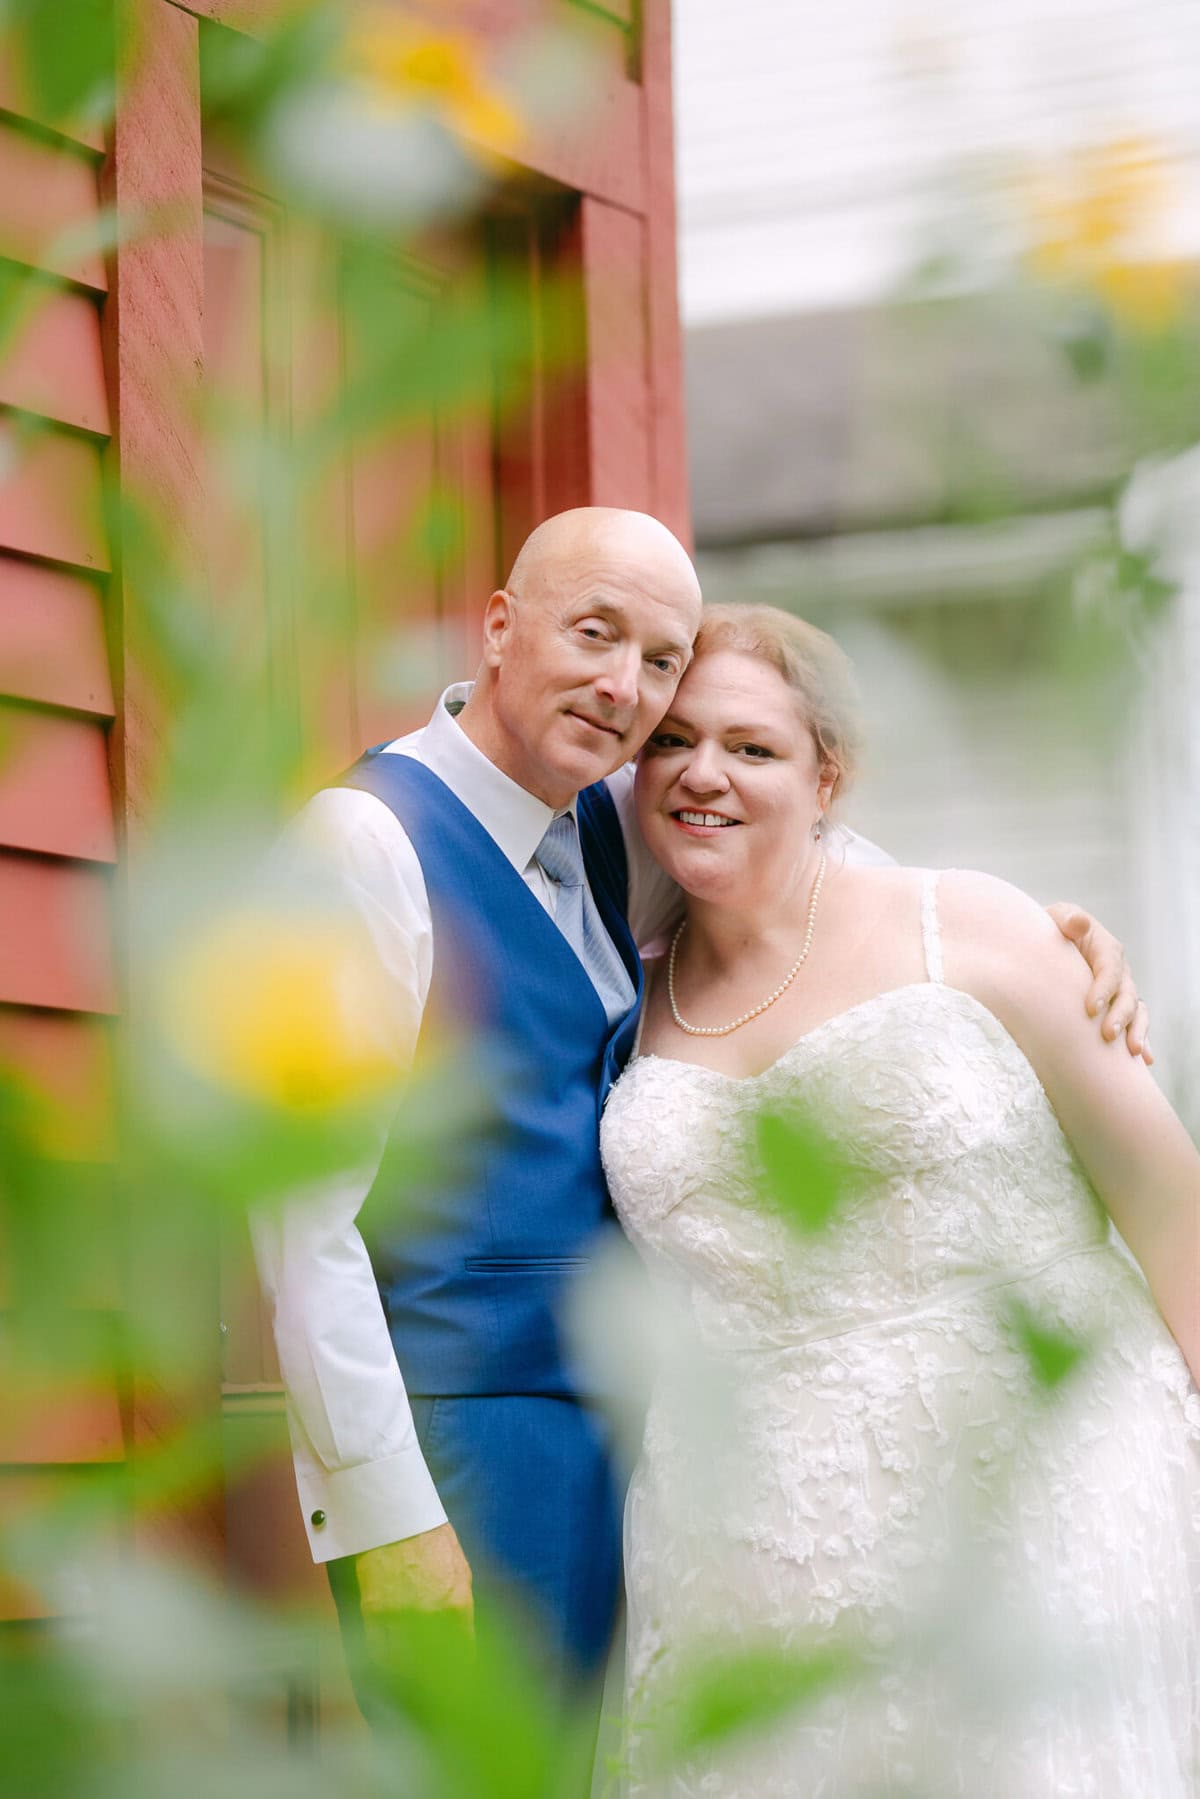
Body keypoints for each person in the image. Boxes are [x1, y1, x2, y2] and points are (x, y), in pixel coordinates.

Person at [252, 512, 1149, 1723]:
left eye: (661, 659)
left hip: (642, 1457)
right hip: (468, 1451)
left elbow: (814, 864)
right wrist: (385, 1516)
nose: (626, 686)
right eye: (593, 633)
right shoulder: (365, 845)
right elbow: (301, 1223)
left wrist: (1048, 938)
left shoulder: (615, 826)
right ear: (503, 629)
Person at [602, 603, 1200, 1796]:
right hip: (748, 1535)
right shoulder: (622, 980)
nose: (702, 773)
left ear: (831, 773)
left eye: (753, 747)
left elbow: (1171, 1207)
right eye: (671, 741)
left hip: (1033, 1486)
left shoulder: (974, 926)